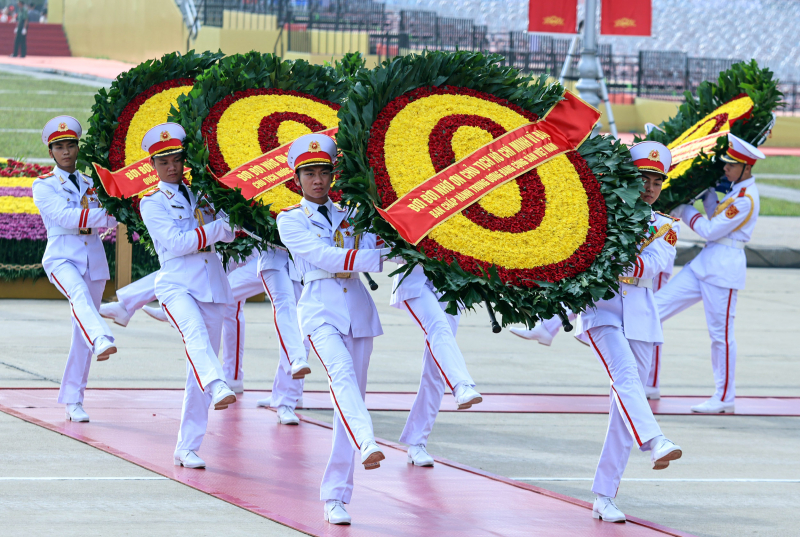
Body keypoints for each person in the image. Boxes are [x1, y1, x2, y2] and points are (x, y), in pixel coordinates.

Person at [277, 133, 387, 525]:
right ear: (297, 179)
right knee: (340, 377)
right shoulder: (290, 219)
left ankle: (335, 496)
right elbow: (322, 256)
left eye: (324, 172)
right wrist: (369, 258)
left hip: (357, 311)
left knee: (349, 399)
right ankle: (368, 440)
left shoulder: (353, 213)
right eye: (309, 173)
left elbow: (381, 246)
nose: (318, 180)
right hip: (320, 309)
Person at [575, 141, 683, 523]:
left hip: (641, 316)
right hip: (601, 309)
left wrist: (612, 256)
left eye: (657, 181)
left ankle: (604, 495)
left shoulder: (666, 226)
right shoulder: (601, 213)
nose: (650, 187)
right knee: (625, 377)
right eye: (643, 179)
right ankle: (655, 440)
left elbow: (650, 265)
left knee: (623, 409)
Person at [138, 122, 238, 470]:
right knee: (195, 336)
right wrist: (218, 229)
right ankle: (218, 383)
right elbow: (177, 243)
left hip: (211, 284)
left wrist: (231, 222)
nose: (172, 167)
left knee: (196, 367)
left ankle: (187, 447)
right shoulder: (152, 202)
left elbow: (229, 232)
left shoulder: (203, 193)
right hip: (176, 284)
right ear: (153, 164)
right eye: (164, 161)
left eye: (177, 159)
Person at [655, 133, 763, 414]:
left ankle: (724, 397)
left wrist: (684, 209)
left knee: (720, 336)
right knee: (654, 310)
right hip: (705, 264)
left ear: (746, 168)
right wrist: (708, 195)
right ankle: (646, 382)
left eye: (731, 165)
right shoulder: (736, 192)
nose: (725, 168)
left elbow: (711, 230)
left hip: (723, 271)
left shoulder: (746, 199)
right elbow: (717, 217)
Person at [32, 116, 118, 422]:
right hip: (61, 258)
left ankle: (73, 400)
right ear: (51, 152)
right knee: (79, 297)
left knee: (81, 332)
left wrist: (109, 211)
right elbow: (65, 217)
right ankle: (102, 337)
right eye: (59, 147)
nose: (66, 152)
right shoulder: (43, 185)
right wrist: (103, 213)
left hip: (93, 260)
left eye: (70, 145)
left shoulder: (92, 183)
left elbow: (113, 219)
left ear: (78, 148)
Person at [391, 264, 482, 467]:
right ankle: (461, 385)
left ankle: (417, 442)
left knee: (437, 363)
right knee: (438, 327)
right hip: (416, 279)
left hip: (452, 283)